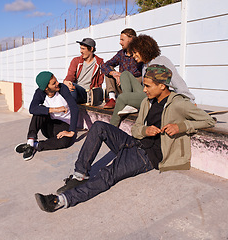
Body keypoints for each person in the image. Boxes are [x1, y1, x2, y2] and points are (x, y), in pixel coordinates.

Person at [34, 64, 215, 212]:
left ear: (162, 86)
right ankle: (80, 175)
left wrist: (181, 126)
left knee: (108, 174)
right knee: (98, 128)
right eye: (143, 85)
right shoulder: (147, 101)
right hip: (134, 141)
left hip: (148, 156)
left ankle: (59, 201)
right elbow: (136, 129)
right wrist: (145, 130)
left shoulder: (179, 104)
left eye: (148, 86)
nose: (144, 90)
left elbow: (208, 120)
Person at [109, 34, 195, 127]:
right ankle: (131, 105)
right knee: (125, 74)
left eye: (135, 52)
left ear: (143, 49)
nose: (133, 56)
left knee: (122, 98)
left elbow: (177, 81)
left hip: (157, 99)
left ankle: (110, 129)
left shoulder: (162, 61)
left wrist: (190, 101)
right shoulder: (145, 65)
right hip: (147, 94)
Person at [15, 71, 79, 161]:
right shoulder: (40, 93)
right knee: (39, 110)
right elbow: (32, 109)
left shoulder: (62, 88)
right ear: (46, 88)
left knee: (66, 141)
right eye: (54, 83)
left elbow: (74, 108)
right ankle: (30, 140)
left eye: (56, 80)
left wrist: (72, 131)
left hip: (64, 125)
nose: (57, 83)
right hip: (49, 127)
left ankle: (35, 145)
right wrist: (55, 109)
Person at [101, 28, 143, 109]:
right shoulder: (121, 53)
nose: (120, 42)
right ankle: (112, 99)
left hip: (134, 88)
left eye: (122, 40)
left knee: (139, 78)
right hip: (121, 86)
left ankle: (131, 102)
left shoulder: (138, 53)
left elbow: (138, 72)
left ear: (131, 40)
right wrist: (114, 74)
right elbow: (104, 65)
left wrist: (123, 76)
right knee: (108, 70)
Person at [63, 38, 104, 104]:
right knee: (67, 86)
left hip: (89, 94)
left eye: (83, 49)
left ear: (91, 49)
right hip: (76, 91)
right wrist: (67, 82)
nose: (81, 51)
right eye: (80, 48)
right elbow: (70, 75)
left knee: (72, 88)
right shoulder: (76, 61)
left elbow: (99, 82)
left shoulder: (99, 63)